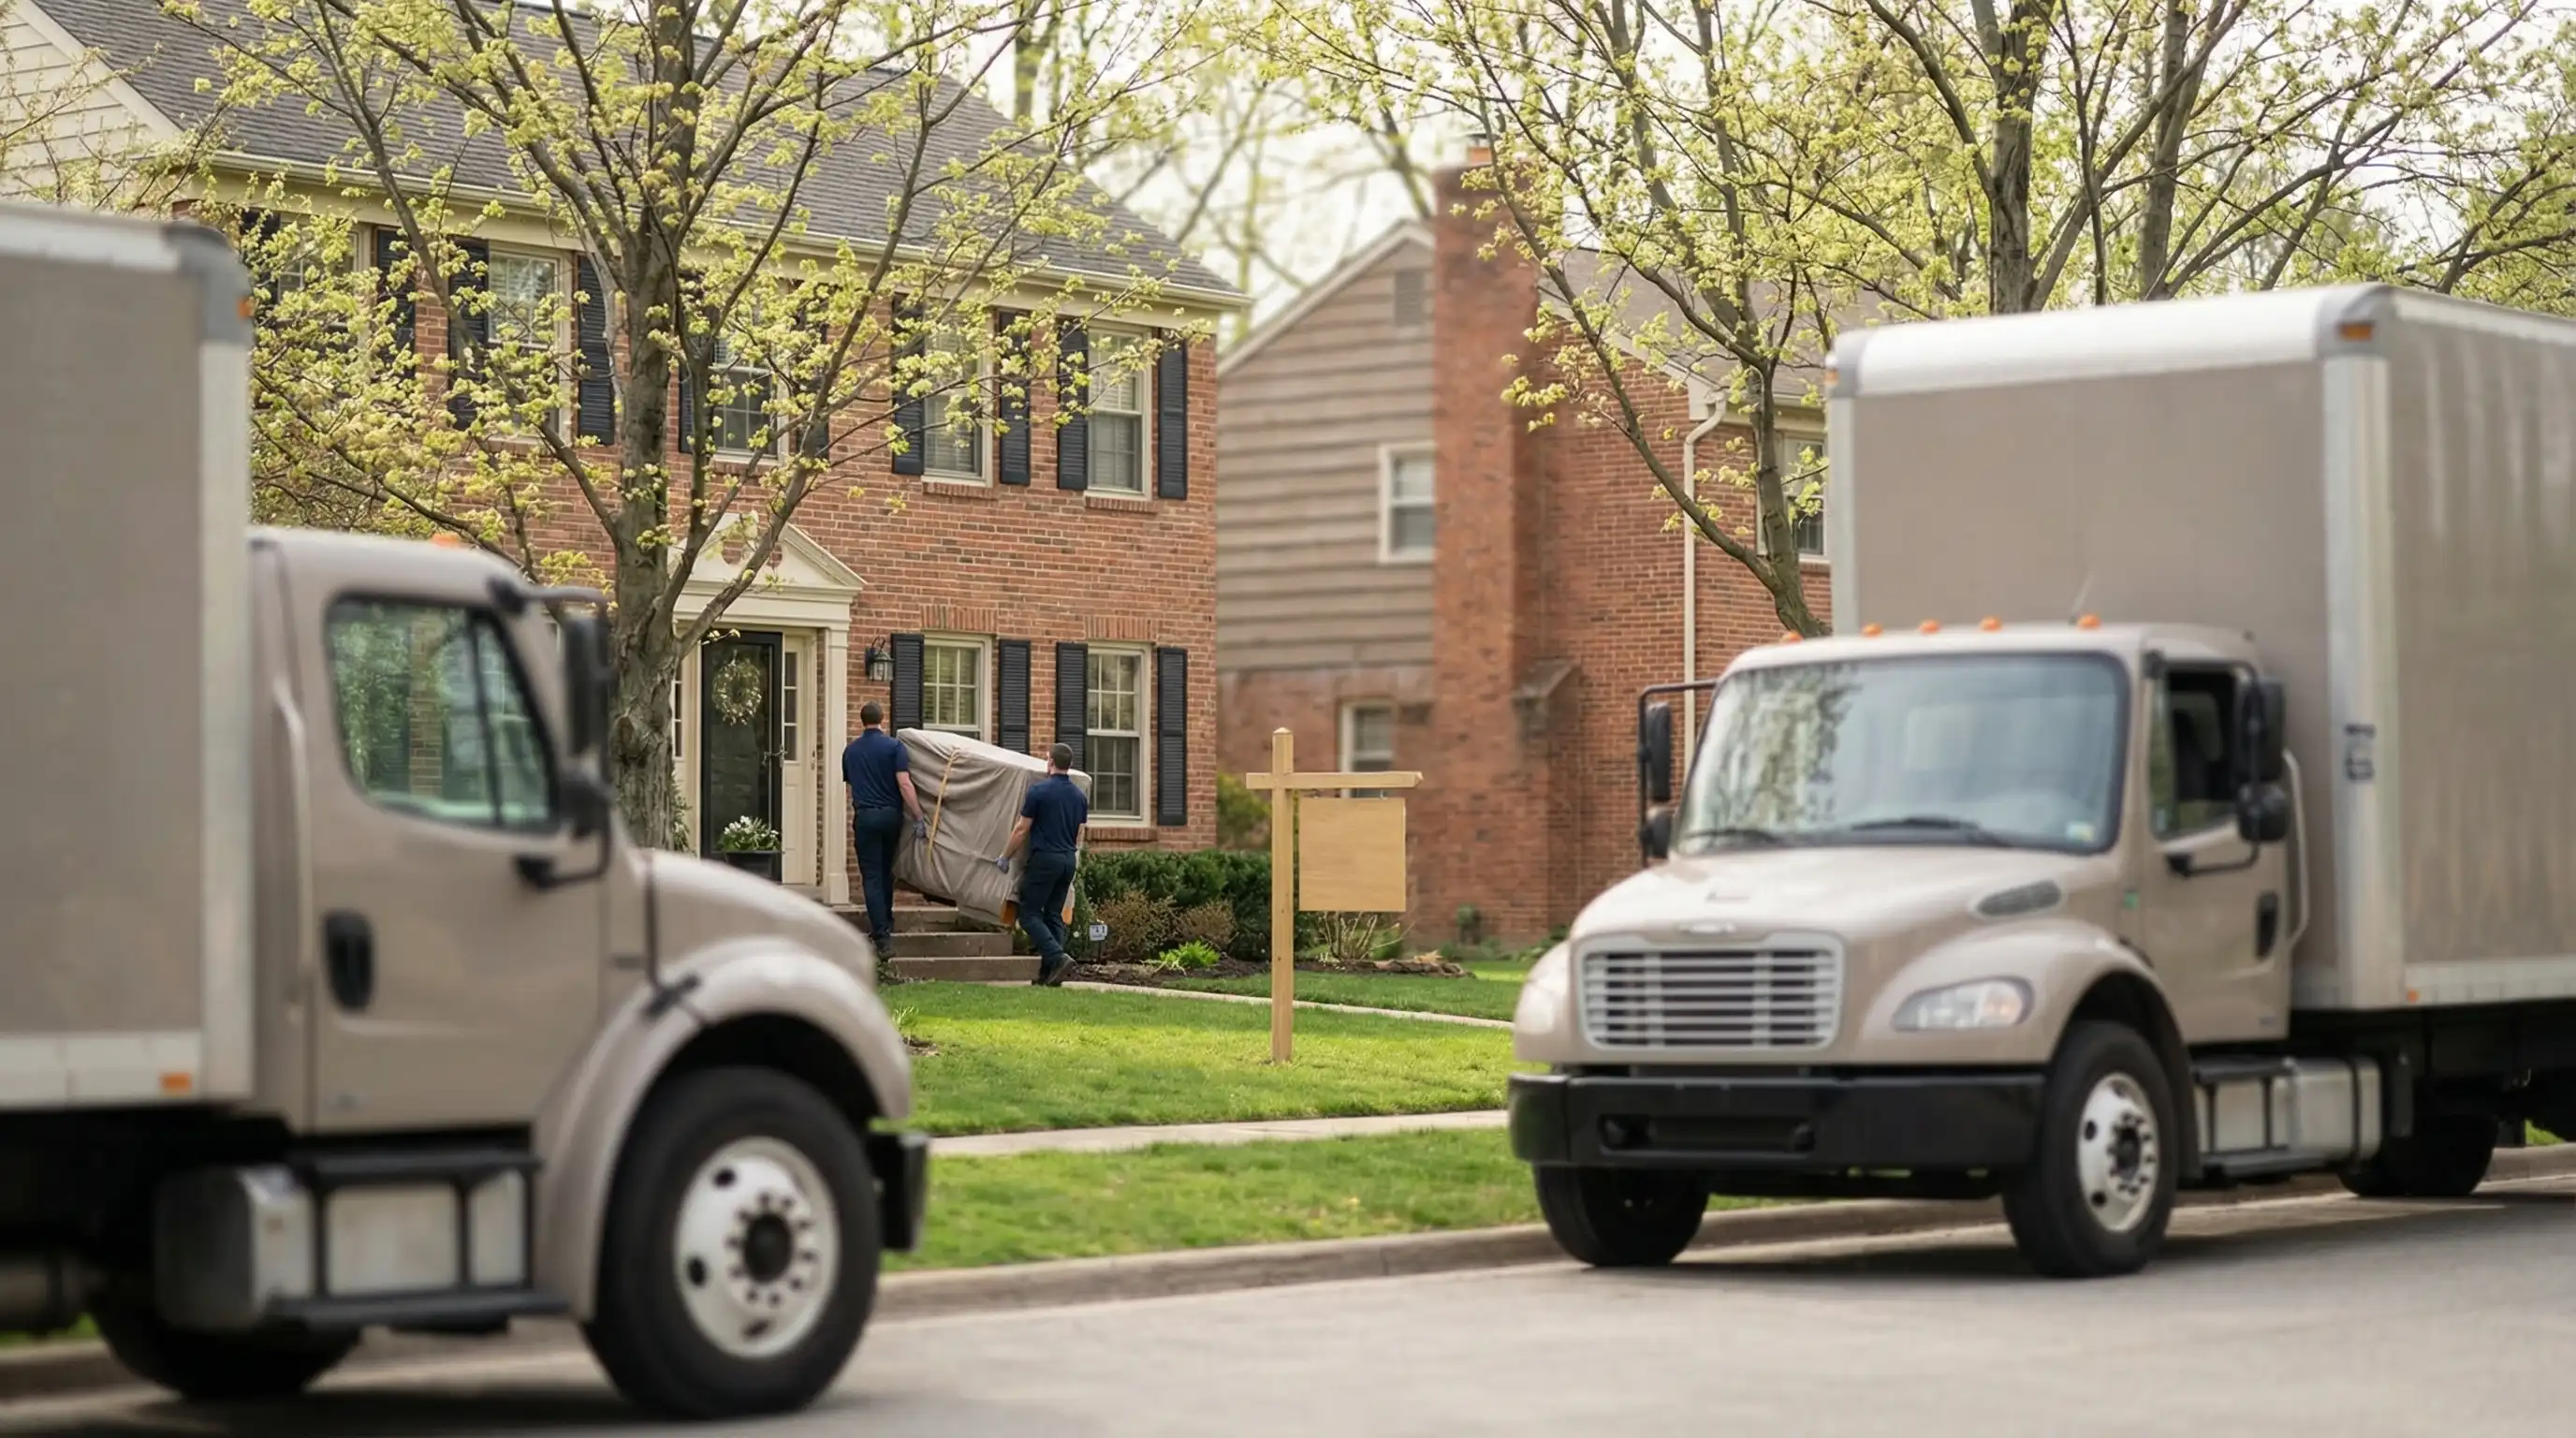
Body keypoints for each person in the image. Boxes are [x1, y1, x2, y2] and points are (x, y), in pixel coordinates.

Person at [998, 742, 1088, 987]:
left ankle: (1058, 957)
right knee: (1053, 915)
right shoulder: (1079, 796)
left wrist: (1005, 856)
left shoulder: (1039, 791)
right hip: (1068, 860)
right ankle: (1050, 975)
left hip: (1045, 858)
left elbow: (1021, 829)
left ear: (1050, 763)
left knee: (1028, 915)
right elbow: (1079, 833)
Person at [842, 702, 925, 958]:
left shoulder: (851, 751)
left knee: (872, 876)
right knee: (886, 871)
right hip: (891, 817)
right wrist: (918, 815)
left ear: (861, 721)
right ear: (882, 719)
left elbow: (851, 786)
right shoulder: (894, 747)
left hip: (865, 817)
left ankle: (882, 936)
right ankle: (885, 923)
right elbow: (904, 783)